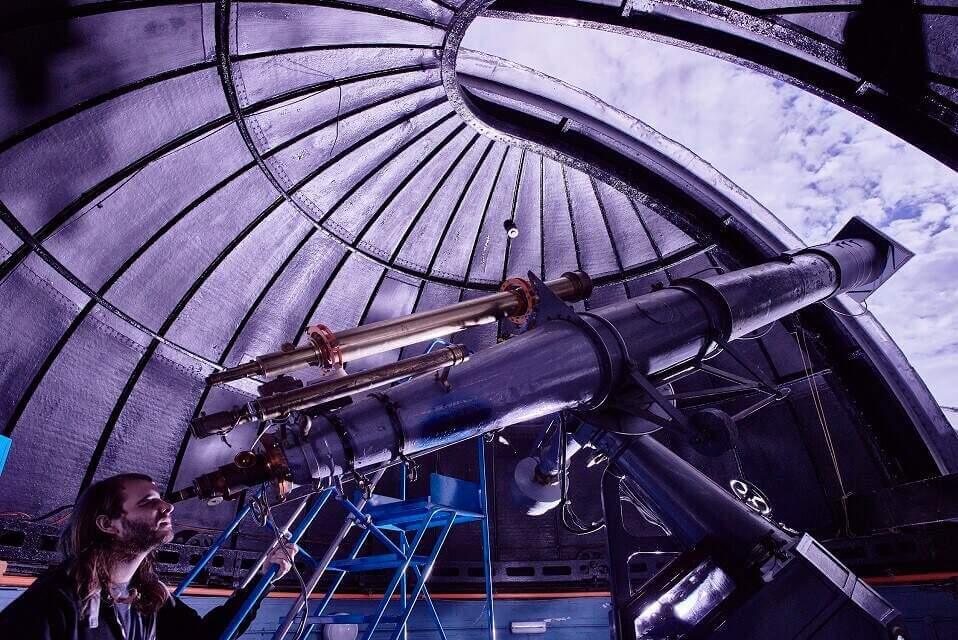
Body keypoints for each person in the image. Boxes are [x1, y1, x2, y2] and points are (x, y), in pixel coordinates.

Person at [0, 473, 297, 639]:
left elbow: (206, 638)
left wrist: (262, 580)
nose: (167, 506)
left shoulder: (149, 597)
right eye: (147, 502)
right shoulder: (56, 600)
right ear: (108, 524)